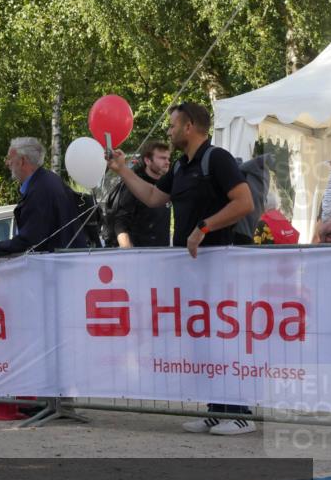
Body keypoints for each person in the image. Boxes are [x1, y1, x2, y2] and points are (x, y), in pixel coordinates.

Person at [107, 101, 255, 436]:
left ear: (189, 127)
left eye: (173, 125)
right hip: (192, 269)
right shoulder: (180, 165)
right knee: (202, 339)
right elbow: (153, 198)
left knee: (224, 338)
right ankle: (217, 410)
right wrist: (123, 171)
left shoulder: (216, 158)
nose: (169, 131)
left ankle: (242, 413)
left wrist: (204, 227)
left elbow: (244, 202)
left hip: (219, 264)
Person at [0, 138, 86, 261]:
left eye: (10, 159)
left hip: (57, 268)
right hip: (64, 263)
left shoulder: (40, 190)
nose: (7, 163)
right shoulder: (49, 181)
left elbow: (28, 239)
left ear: (22, 161)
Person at [108, 141, 171, 248]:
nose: (167, 162)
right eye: (162, 158)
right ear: (147, 160)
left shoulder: (166, 184)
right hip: (140, 254)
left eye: (168, 158)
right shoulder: (134, 185)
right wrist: (130, 252)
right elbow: (120, 222)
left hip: (162, 253)